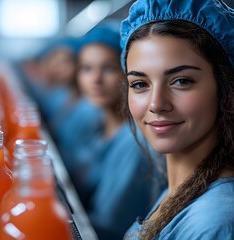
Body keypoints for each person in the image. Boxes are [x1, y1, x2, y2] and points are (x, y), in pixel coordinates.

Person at [120, 0, 234, 239]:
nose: (156, 104)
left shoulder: (223, 224)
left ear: (226, 90)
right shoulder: (183, 190)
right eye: (139, 84)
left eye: (181, 81)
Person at [75, 24, 159, 240]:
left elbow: (110, 227)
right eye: (86, 68)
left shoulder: (134, 142)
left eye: (109, 68)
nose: (96, 79)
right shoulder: (99, 123)